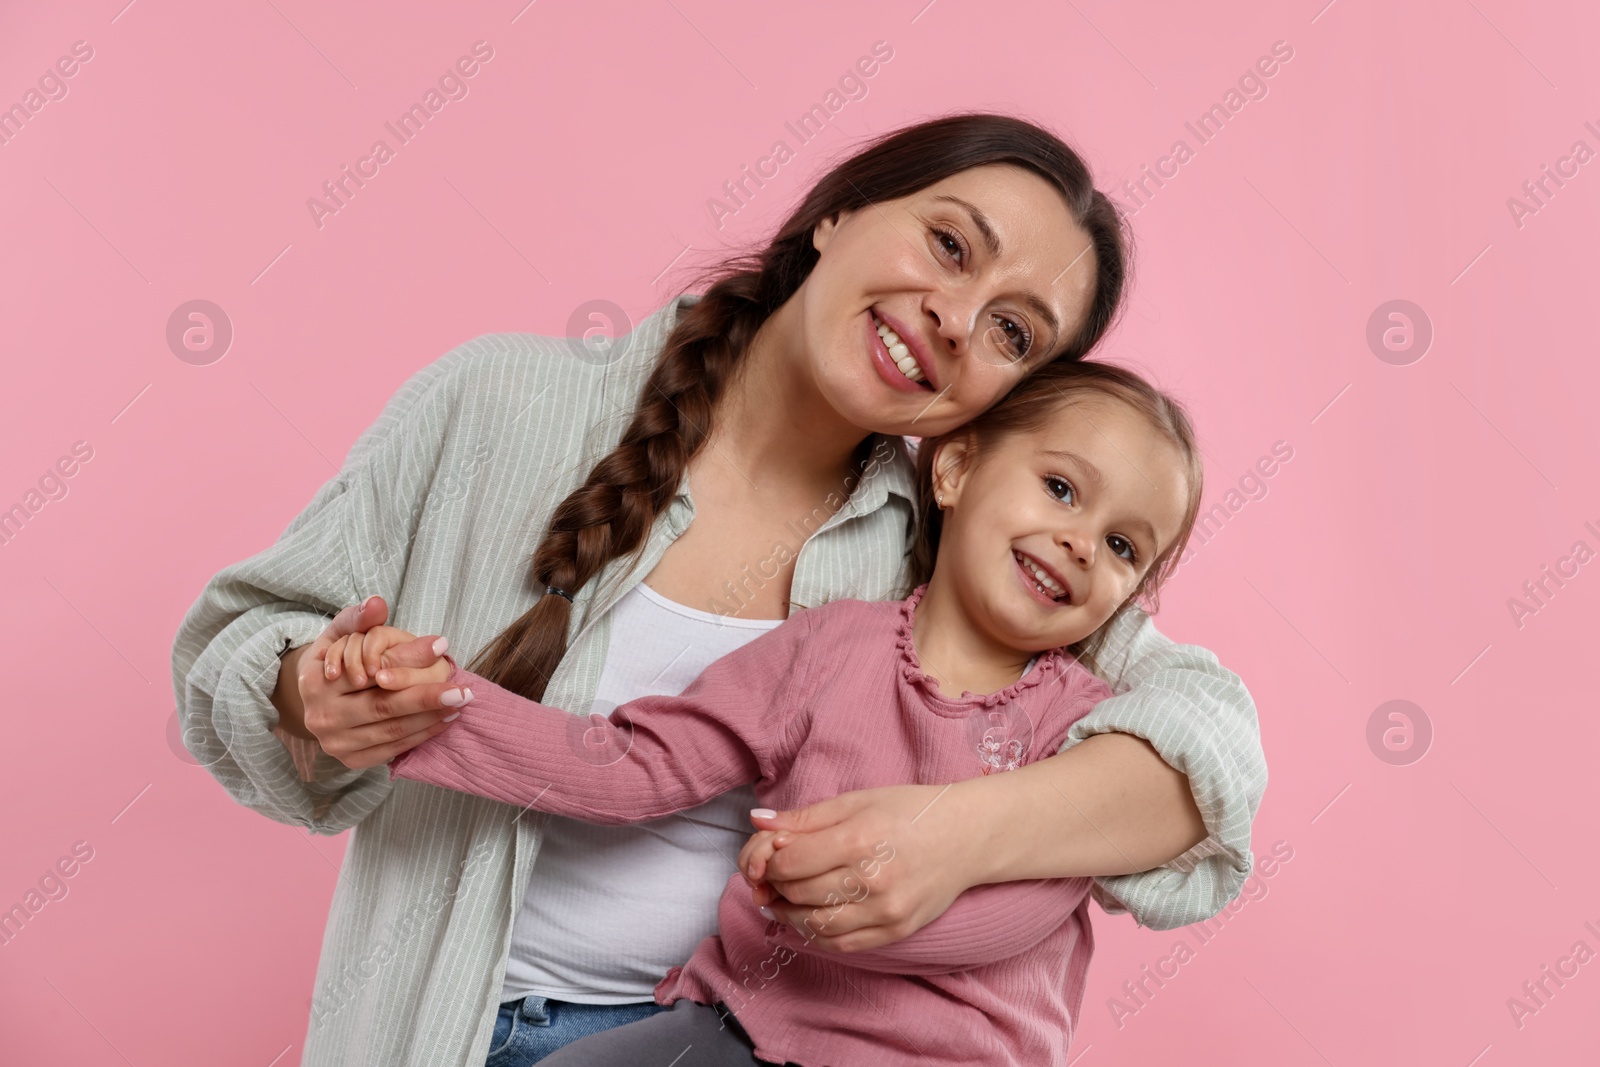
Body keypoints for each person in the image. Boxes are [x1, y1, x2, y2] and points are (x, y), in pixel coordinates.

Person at [169, 111, 1266, 1067]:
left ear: (999, 411)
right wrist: (308, 689)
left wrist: (958, 834)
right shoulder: (496, 404)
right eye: (946, 243)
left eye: (1012, 331)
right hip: (424, 1027)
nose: (952, 317)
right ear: (837, 214)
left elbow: (1205, 747)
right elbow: (242, 644)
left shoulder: (977, 554)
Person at [352, 358, 1207, 1066]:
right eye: (1061, 487)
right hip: (744, 1031)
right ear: (955, 468)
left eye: (1125, 546)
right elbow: (638, 762)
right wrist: (435, 707)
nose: (1081, 542)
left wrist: (810, 899)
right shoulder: (829, 647)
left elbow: (1016, 911)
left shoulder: (1091, 730)